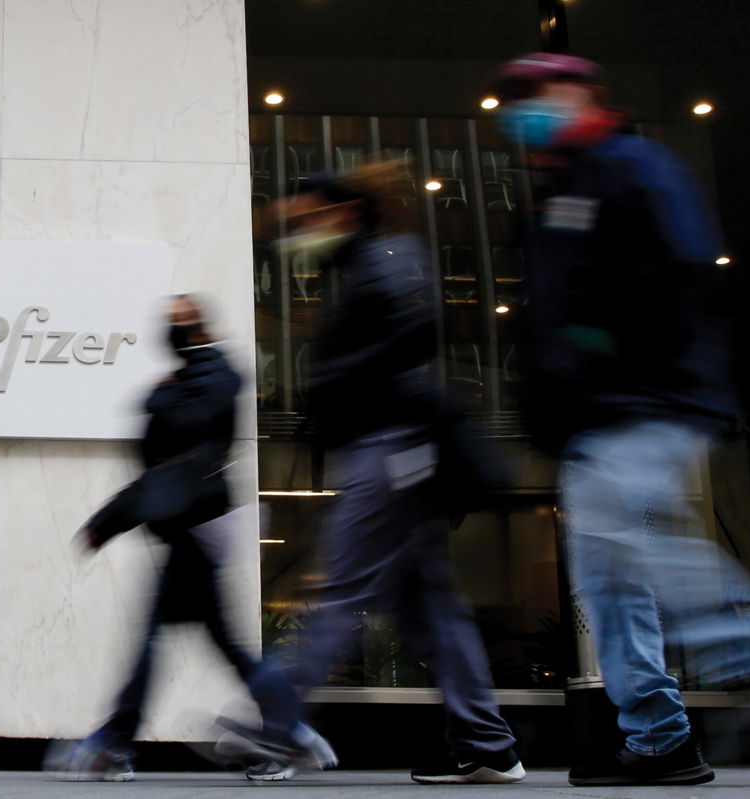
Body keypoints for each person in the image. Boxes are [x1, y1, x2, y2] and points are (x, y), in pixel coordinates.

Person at [491, 53, 750, 787]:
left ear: (585, 94)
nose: (526, 110)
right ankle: (659, 737)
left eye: (539, 94)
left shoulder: (632, 166)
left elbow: (679, 272)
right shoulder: (554, 194)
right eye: (515, 99)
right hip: (596, 413)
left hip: (651, 395)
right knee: (609, 573)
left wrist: (602, 350)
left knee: (618, 534)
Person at [236, 163, 525, 784]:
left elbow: (415, 331)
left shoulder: (384, 258)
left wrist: (336, 380)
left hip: (389, 444)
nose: (299, 232)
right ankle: (487, 743)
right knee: (431, 607)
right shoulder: (359, 264)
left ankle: (280, 729)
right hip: (391, 445)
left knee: (342, 589)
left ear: (345, 213)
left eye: (309, 218)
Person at [53, 294, 312, 781]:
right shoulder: (200, 378)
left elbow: (177, 454)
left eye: (176, 321)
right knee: (220, 643)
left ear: (195, 331)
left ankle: (114, 742)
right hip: (193, 530)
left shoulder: (207, 380)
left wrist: (109, 520)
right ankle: (291, 730)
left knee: (156, 640)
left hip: (195, 529)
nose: (168, 331)